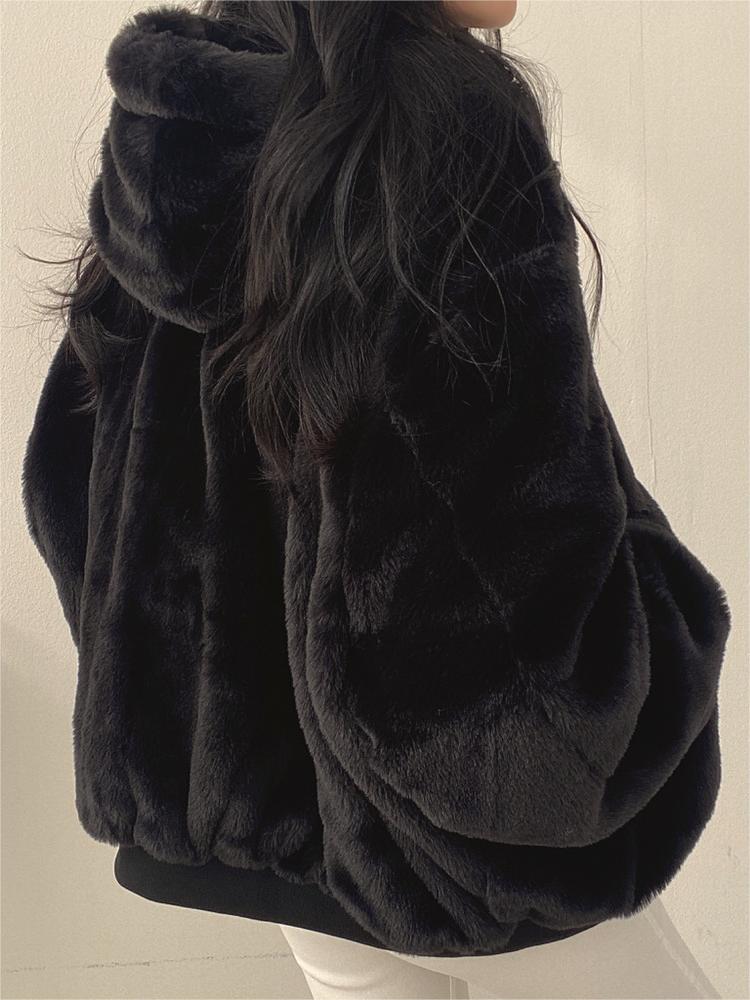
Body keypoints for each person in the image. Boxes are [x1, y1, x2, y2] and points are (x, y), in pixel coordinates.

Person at [21, 0, 731, 996]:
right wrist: (653, 657)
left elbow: (69, 483)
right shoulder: (446, 120)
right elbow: (497, 571)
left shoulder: (172, 118)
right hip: (445, 857)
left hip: (246, 839)